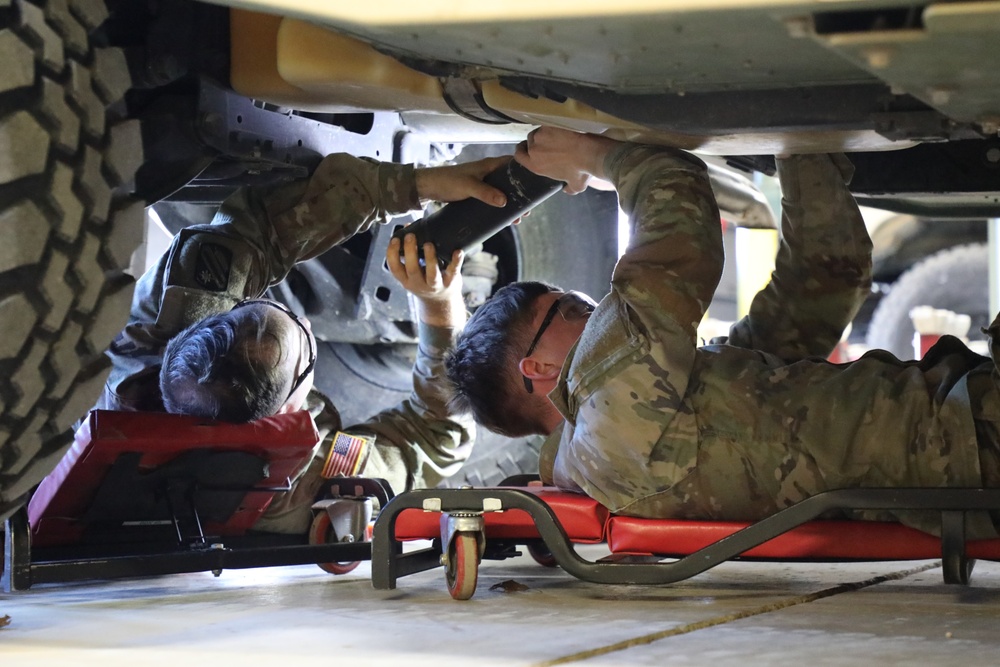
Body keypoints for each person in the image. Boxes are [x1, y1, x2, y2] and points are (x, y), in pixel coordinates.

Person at [446, 126, 1000, 539]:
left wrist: (800, 140)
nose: (593, 311)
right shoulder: (608, 432)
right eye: (569, 308)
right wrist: (593, 155)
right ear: (538, 370)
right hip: (973, 440)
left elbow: (824, 278)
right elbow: (676, 208)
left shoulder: (664, 409)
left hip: (968, 426)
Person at [96, 152, 509, 533]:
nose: (309, 326)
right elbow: (437, 437)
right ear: (289, 409)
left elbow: (257, 230)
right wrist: (440, 306)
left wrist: (418, 184)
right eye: (306, 353)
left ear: (205, 323)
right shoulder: (309, 485)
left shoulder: (152, 325)